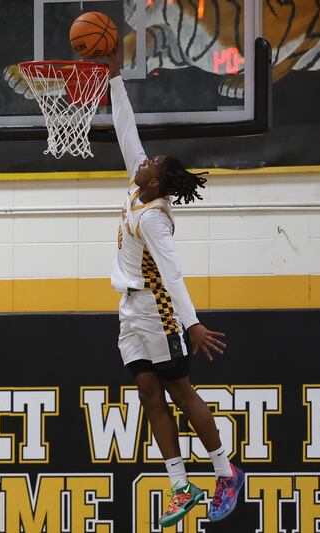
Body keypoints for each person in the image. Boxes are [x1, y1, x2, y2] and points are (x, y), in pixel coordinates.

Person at [107, 49, 244, 526]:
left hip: (159, 310)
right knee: (148, 394)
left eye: (155, 162)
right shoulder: (135, 184)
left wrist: (194, 324)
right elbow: (127, 130)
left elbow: (173, 276)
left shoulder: (156, 219)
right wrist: (114, 77)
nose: (147, 160)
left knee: (181, 393)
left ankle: (225, 472)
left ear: (158, 181)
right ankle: (181, 485)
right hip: (131, 311)